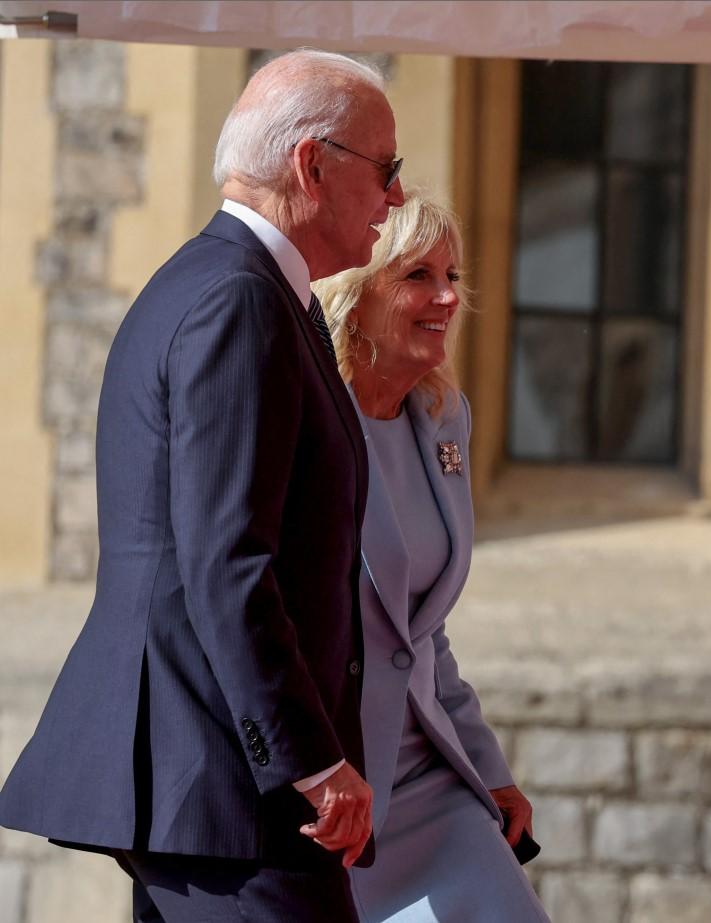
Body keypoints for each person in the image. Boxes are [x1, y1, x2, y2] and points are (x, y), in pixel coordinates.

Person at [0, 50, 406, 922]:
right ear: (311, 164)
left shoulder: (238, 286)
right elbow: (227, 560)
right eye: (387, 170)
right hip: (227, 786)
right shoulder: (238, 299)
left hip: (210, 780)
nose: (396, 200)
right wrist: (311, 759)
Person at [315, 189, 549, 923]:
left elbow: (421, 630)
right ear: (357, 295)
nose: (448, 296)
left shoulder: (443, 415)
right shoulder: (311, 420)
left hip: (432, 781)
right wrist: (313, 771)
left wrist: (488, 768)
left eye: (453, 275)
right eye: (417, 275)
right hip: (338, 790)